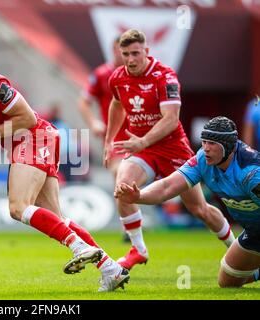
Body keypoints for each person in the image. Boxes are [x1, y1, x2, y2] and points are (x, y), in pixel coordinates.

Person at [0, 39, 129, 292]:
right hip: (21, 144)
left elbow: (28, 118)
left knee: (18, 207)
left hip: (35, 136)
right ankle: (111, 269)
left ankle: (78, 246)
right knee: (57, 218)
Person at [103, 29, 235, 270]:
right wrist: (109, 140)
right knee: (122, 186)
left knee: (198, 209)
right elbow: (116, 104)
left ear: (147, 51)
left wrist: (142, 141)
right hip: (144, 149)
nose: (130, 60)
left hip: (173, 148)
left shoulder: (165, 77)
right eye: (125, 54)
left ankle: (234, 248)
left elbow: (171, 119)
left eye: (135, 53)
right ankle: (138, 250)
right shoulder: (117, 78)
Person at [115, 116, 260, 288]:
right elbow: (167, 186)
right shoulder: (202, 160)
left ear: (228, 146)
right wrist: (138, 197)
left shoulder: (251, 173)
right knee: (227, 282)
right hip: (253, 231)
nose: (205, 148)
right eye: (204, 142)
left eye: (211, 144)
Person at [78, 36, 128, 178]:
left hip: (140, 134)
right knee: (120, 174)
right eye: (119, 49)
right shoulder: (101, 74)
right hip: (115, 137)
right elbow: (83, 101)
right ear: (113, 50)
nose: (123, 53)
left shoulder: (139, 74)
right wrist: (93, 122)